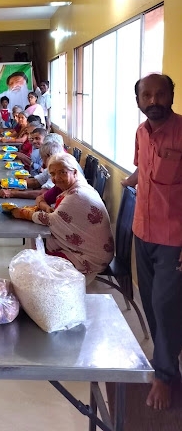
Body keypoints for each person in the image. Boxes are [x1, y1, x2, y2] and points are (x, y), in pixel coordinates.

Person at [122, 73, 182, 410]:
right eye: (147, 95)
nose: (154, 101)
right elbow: (144, 171)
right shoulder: (141, 132)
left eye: (161, 95)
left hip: (174, 238)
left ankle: (164, 376)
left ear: (172, 96)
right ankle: (166, 355)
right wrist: (126, 182)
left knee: (165, 304)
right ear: (139, 100)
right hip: (141, 231)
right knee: (150, 301)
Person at [11, 153, 114, 284]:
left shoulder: (77, 194)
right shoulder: (74, 187)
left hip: (90, 257)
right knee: (34, 256)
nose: (56, 178)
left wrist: (23, 213)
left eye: (62, 172)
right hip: (94, 251)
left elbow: (50, 220)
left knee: (35, 265)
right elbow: (50, 209)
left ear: (74, 172)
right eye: (52, 174)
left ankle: (47, 295)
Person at [0, 140, 65, 200]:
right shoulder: (51, 168)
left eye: (43, 158)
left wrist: (12, 193)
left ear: (48, 156)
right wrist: (10, 183)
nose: (43, 162)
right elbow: (35, 182)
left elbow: (43, 194)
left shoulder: (59, 171)